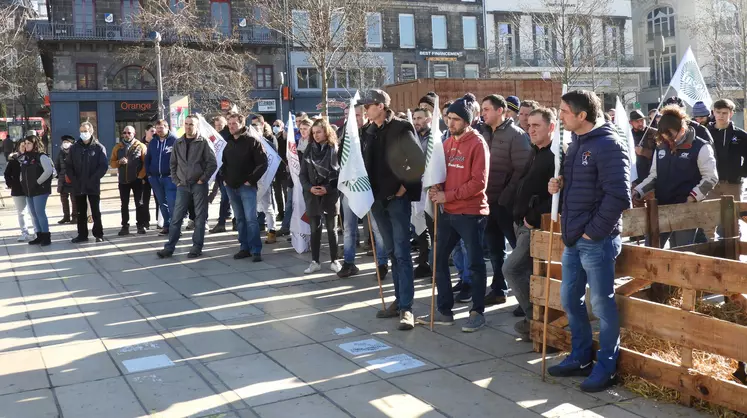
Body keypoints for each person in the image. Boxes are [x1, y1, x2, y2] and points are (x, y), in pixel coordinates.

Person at [547, 90, 630, 393]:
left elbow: (619, 195)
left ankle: (606, 367)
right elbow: (581, 185)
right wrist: (558, 184)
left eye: (564, 111)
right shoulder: (574, 146)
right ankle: (581, 356)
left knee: (602, 304)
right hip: (573, 238)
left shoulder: (608, 144)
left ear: (582, 116)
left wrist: (593, 232)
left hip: (595, 239)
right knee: (570, 299)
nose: (561, 116)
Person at [415, 93, 490, 332]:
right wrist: (436, 186)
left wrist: (449, 195)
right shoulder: (446, 143)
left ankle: (477, 311)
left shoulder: (478, 143)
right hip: (447, 212)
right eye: (448, 118)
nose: (450, 123)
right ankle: (444, 310)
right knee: (437, 261)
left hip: (470, 213)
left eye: (456, 119)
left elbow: (479, 182)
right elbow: (440, 173)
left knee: (476, 264)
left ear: (467, 120)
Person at [360, 89, 425, 331]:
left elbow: (417, 161)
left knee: (402, 253)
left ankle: (407, 307)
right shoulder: (368, 131)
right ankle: (398, 301)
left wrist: (403, 188)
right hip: (375, 200)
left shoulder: (401, 127)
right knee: (390, 250)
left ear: (380, 106)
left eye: (368, 105)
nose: (365, 109)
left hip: (396, 200)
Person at [505, 108, 556, 341]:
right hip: (521, 221)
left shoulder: (556, 156)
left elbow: (557, 195)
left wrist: (534, 216)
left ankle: (535, 318)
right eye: (529, 125)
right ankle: (536, 319)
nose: (531, 129)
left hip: (535, 225)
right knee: (526, 271)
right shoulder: (536, 150)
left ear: (551, 127)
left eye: (537, 125)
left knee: (512, 268)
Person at [634, 105, 718, 248]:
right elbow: (654, 176)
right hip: (660, 208)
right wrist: (639, 190)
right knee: (651, 248)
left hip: (686, 209)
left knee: (681, 252)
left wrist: (692, 197)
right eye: (664, 136)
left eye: (671, 135)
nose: (668, 139)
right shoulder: (661, 147)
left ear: (682, 129)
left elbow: (711, 178)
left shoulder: (701, 147)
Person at [480, 94, 532, 307]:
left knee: (517, 251)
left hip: (506, 204)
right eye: (482, 109)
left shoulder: (516, 135)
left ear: (500, 110)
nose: (483, 113)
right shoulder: (481, 133)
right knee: (494, 249)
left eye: (486, 109)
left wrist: (504, 197)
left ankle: (526, 298)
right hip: (486, 201)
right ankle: (499, 289)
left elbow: (521, 170)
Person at [157, 115, 218, 259]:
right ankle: (169, 247)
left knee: (200, 218)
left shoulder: (204, 142)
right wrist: (176, 180)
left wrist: (203, 180)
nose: (188, 126)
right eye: (186, 124)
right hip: (182, 186)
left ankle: (197, 247)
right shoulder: (178, 143)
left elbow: (212, 163)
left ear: (197, 126)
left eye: (191, 124)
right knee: (176, 218)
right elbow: (173, 164)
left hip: (198, 185)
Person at [221, 113, 268, 262]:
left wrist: (251, 180)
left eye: (234, 123)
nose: (231, 126)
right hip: (231, 186)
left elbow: (263, 163)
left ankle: (256, 250)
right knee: (239, 219)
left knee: (251, 219)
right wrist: (224, 179)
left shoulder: (252, 141)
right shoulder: (228, 142)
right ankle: (244, 248)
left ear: (242, 124)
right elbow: (223, 164)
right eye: (229, 123)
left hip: (246, 187)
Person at [301, 118, 342, 273]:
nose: (316, 135)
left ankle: (334, 260)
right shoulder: (309, 149)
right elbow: (302, 174)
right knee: (314, 229)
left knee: (332, 229)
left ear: (326, 131)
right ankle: (315, 261)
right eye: (314, 133)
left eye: (319, 132)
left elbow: (339, 173)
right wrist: (310, 188)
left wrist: (327, 188)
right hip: (312, 194)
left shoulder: (334, 149)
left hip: (330, 194)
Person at [68, 121, 108, 243]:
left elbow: (103, 166)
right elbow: (69, 165)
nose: (83, 133)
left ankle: (98, 234)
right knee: (80, 212)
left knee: (95, 211)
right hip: (78, 185)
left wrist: (94, 178)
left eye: (85, 131)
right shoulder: (74, 148)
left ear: (91, 132)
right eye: (81, 131)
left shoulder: (98, 147)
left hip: (93, 185)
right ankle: (82, 234)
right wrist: (74, 179)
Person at [110, 125, 148, 235]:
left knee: (139, 203)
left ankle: (140, 225)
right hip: (123, 181)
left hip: (137, 180)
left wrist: (140, 176)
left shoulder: (140, 146)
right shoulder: (118, 147)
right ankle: (124, 226)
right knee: (124, 204)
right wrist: (119, 162)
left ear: (134, 133)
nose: (127, 135)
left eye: (129, 133)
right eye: (124, 133)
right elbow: (112, 163)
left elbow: (145, 163)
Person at [411, 108, 435, 279]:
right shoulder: (413, 137)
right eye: (414, 118)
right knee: (419, 226)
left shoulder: (435, 138)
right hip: (416, 188)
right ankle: (424, 261)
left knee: (433, 227)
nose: (416, 121)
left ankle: (433, 262)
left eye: (419, 118)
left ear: (428, 119)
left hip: (430, 188)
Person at [18, 135, 55, 246]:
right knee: (33, 214)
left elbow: (48, 171)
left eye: (29, 143)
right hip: (29, 190)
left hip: (40, 189)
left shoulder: (41, 156)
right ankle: (39, 235)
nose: (26, 145)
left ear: (35, 144)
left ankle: (46, 236)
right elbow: (22, 171)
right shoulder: (26, 157)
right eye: (25, 143)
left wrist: (37, 182)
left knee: (40, 213)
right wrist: (22, 182)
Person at [146, 119, 177, 236]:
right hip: (155, 178)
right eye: (157, 128)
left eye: (161, 128)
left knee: (172, 202)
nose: (159, 130)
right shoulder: (153, 142)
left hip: (170, 178)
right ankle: (167, 225)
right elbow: (148, 158)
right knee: (162, 203)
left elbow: (179, 159)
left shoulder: (174, 141)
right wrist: (149, 175)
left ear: (167, 127)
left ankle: (176, 227)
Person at [5, 141, 34, 241]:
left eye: (26, 145)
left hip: (31, 189)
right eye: (22, 146)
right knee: (21, 212)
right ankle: (24, 232)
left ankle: (37, 231)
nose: (24, 147)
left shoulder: (33, 158)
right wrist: (11, 184)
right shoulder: (14, 160)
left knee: (33, 212)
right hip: (18, 189)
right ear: (19, 147)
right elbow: (7, 174)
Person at [210, 115, 234, 233]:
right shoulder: (217, 135)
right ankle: (231, 222)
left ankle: (221, 223)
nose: (218, 127)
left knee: (226, 198)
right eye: (217, 125)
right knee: (227, 198)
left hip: (226, 172)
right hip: (220, 172)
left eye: (221, 125)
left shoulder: (226, 136)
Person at [630, 110, 658, 182]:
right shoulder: (628, 135)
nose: (641, 123)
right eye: (637, 121)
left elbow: (660, 154)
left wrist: (643, 152)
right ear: (631, 123)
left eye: (642, 120)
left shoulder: (655, 133)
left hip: (651, 173)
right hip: (634, 175)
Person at [55, 135, 77, 224]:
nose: (65, 144)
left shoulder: (75, 153)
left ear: (71, 144)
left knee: (74, 199)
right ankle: (66, 216)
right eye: (64, 142)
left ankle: (75, 216)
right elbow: (57, 166)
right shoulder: (60, 153)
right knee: (63, 198)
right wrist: (60, 175)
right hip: (63, 179)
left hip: (73, 179)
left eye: (67, 142)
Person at [272, 119, 288, 224]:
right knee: (277, 193)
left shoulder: (285, 138)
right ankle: (280, 212)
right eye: (274, 125)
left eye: (277, 125)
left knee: (286, 193)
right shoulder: (272, 138)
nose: (275, 127)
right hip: (275, 171)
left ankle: (287, 213)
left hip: (284, 169)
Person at [142, 124, 157, 228]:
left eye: (155, 131)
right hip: (144, 177)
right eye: (152, 131)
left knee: (159, 199)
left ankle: (160, 221)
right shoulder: (139, 144)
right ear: (146, 132)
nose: (154, 133)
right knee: (145, 200)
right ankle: (145, 221)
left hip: (156, 175)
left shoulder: (157, 142)